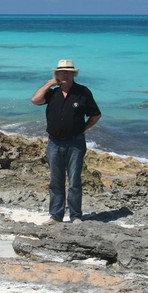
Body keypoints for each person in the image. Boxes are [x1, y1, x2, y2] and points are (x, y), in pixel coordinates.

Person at [31, 59, 101, 224]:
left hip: (75, 143)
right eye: (61, 72)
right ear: (57, 74)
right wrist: (50, 83)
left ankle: (76, 216)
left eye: (68, 72)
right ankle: (56, 216)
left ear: (73, 74)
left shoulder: (83, 92)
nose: (64, 75)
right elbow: (35, 100)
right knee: (56, 181)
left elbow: (95, 115)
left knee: (74, 181)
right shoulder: (52, 93)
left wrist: (83, 129)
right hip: (54, 143)